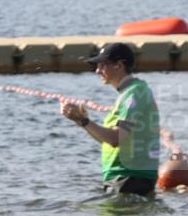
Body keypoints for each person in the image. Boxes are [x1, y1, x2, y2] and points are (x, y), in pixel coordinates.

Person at [61, 42, 160, 196]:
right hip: (125, 178)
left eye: (101, 65)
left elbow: (116, 138)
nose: (97, 71)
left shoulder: (134, 94)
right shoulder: (130, 93)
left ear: (119, 65)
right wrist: (81, 121)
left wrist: (85, 122)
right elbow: (107, 140)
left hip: (129, 178)